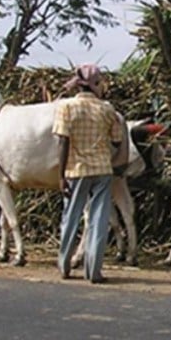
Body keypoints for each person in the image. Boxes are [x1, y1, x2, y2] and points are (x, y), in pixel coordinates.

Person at [53, 63, 128, 283]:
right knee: (98, 219)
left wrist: (60, 175)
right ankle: (93, 272)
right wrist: (102, 151)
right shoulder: (107, 109)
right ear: (95, 84)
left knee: (71, 217)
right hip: (103, 170)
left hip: (76, 171)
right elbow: (116, 141)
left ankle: (64, 266)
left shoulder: (65, 108)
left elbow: (62, 142)